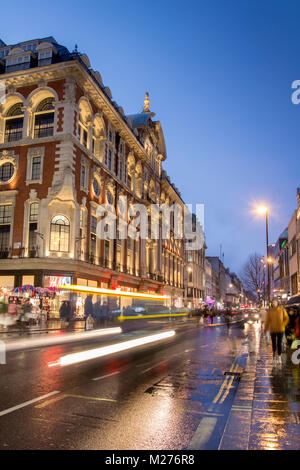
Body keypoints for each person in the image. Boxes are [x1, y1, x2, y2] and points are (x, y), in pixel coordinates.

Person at [265, 299, 289, 367]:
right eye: (273, 302)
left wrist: (283, 324)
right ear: (272, 303)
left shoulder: (282, 310)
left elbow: (286, 318)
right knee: (274, 344)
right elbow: (267, 320)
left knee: (279, 343)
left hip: (280, 329)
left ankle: (279, 356)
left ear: (277, 303)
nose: (274, 303)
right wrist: (266, 329)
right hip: (273, 329)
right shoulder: (270, 311)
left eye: (275, 302)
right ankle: (274, 356)